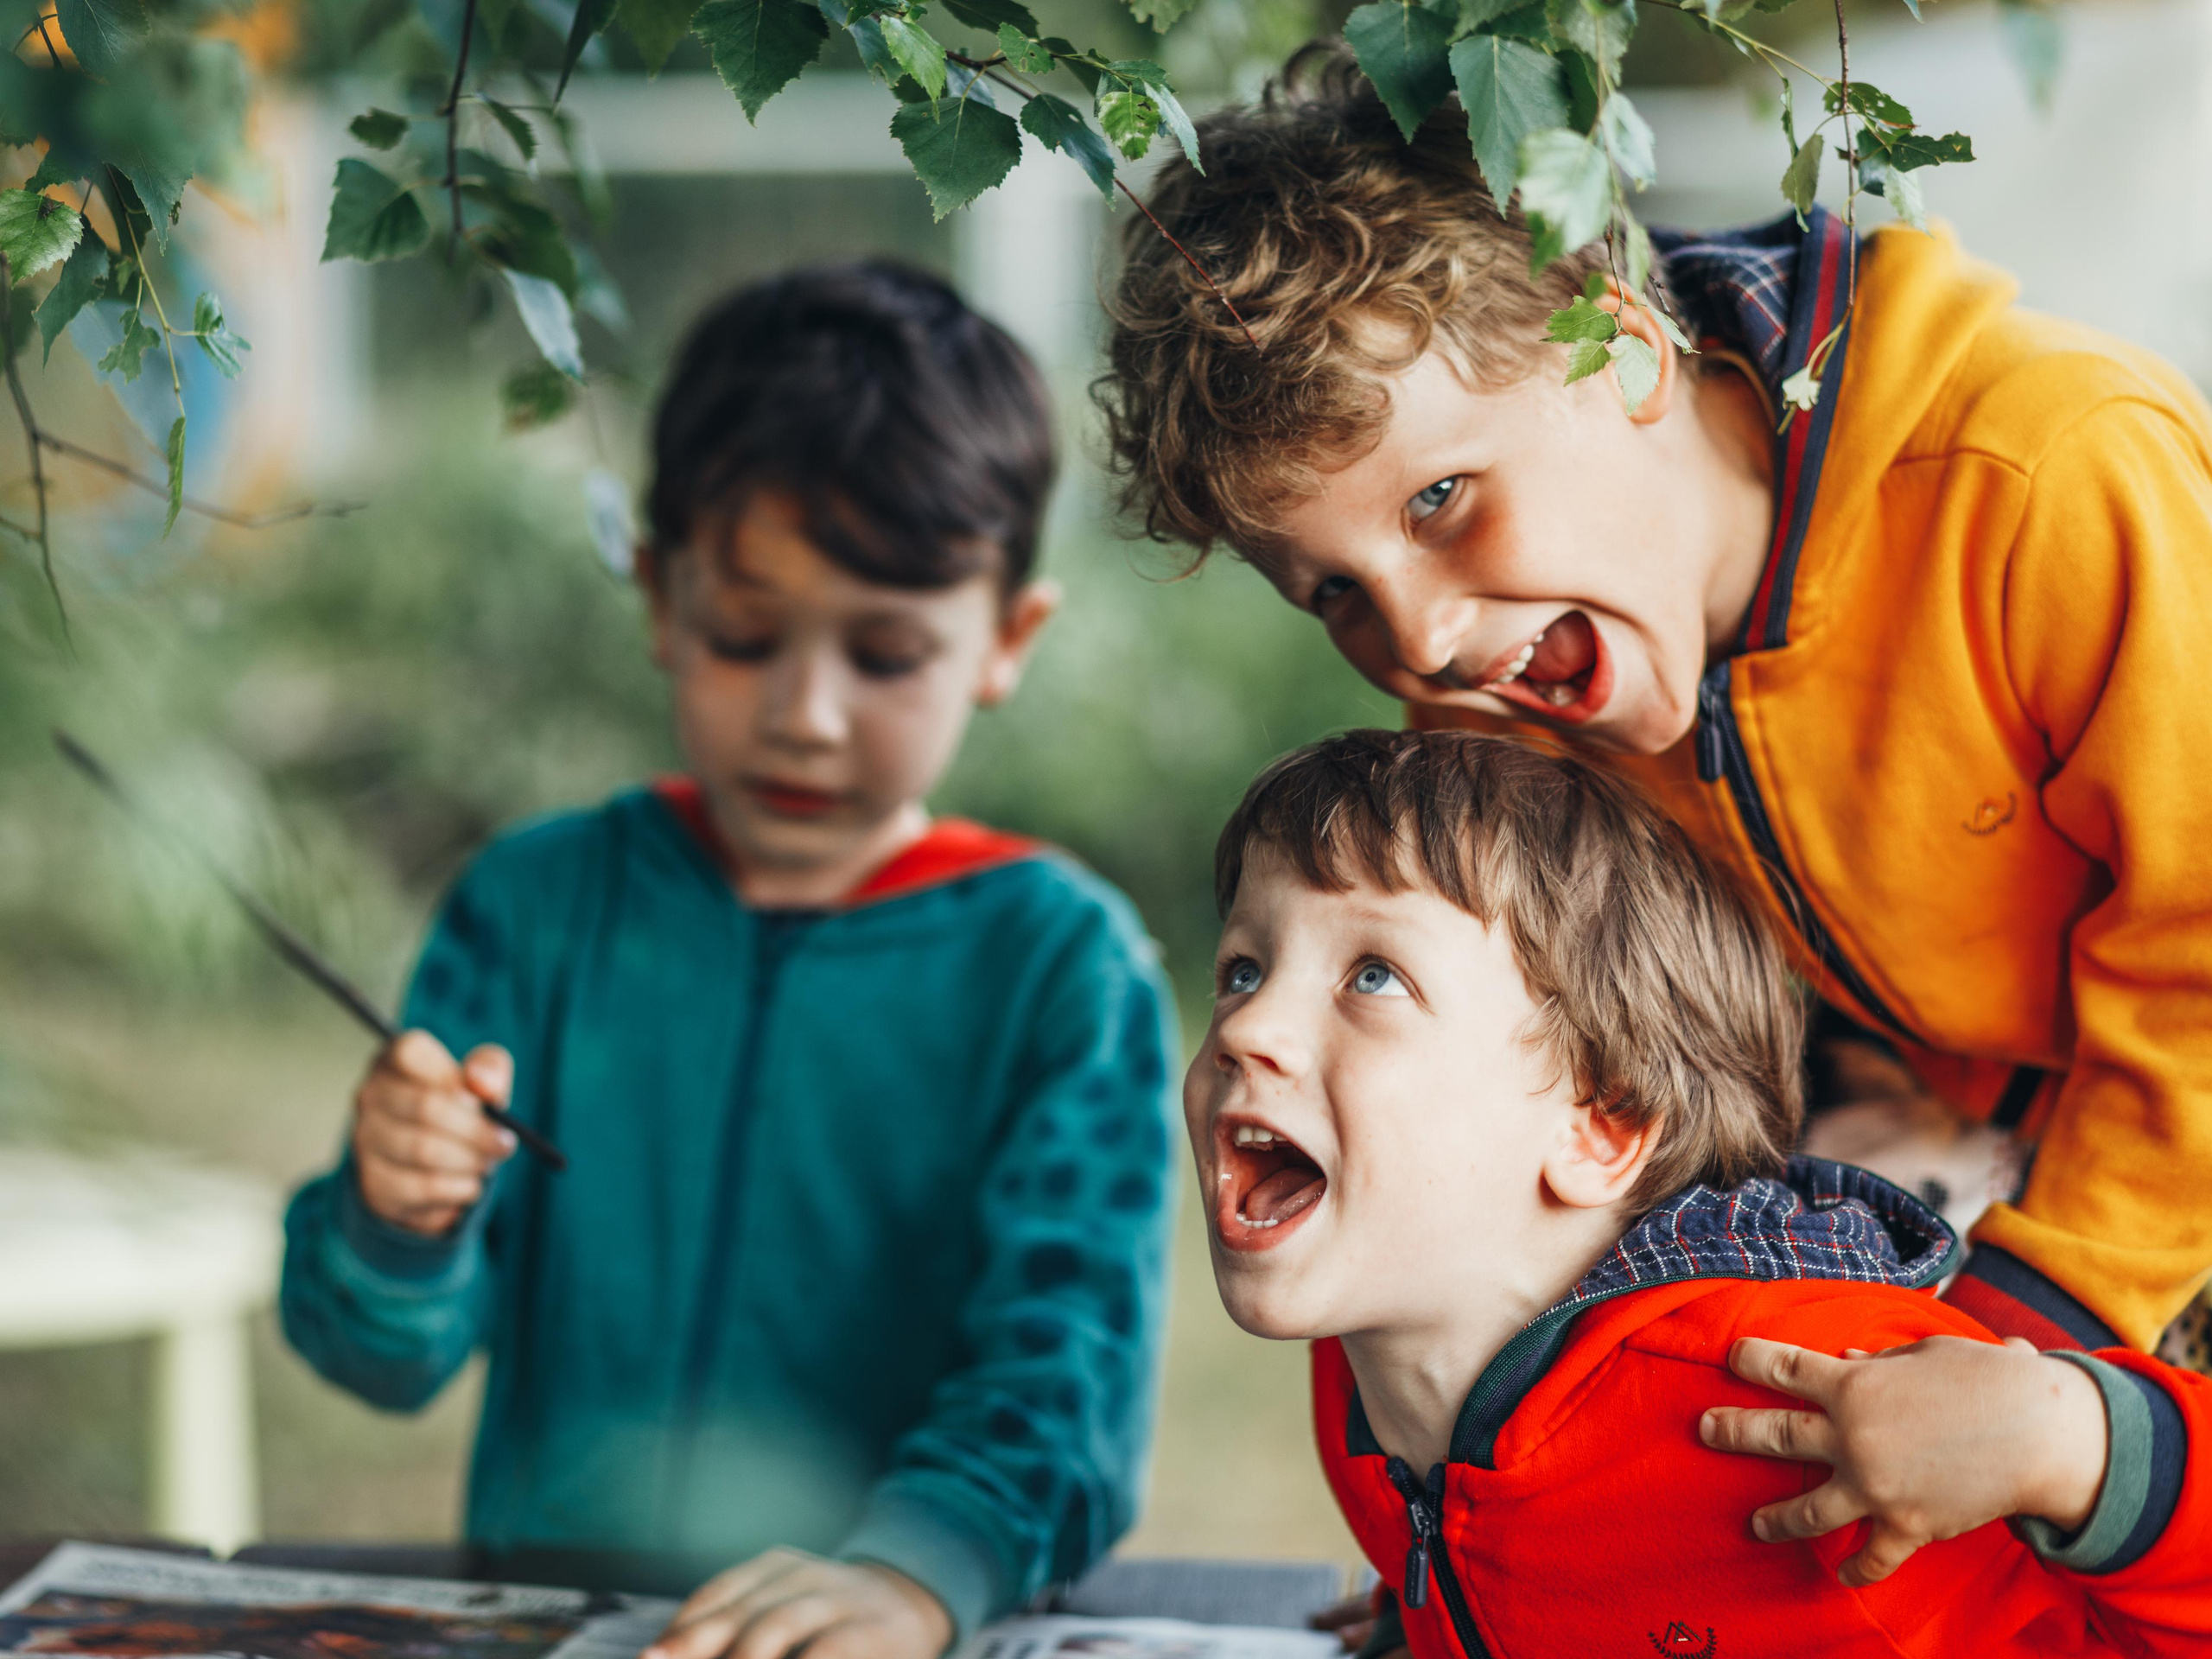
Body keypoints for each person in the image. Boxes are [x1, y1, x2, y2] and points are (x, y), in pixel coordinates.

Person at [1097, 41, 2212, 1583]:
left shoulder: (2044, 474)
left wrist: (2043, 1335)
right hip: (1957, 1172)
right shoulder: (1507, 677)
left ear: (1614, 338)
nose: (1418, 642)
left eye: (1439, 501)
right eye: (1337, 592)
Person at [279, 262, 1179, 1659]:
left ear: (1009, 639)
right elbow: (377, 1361)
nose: (808, 717)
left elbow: (1067, 1377)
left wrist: (917, 1573)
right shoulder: (529, 909)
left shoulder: (1064, 972)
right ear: (658, 596)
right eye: (745, 638)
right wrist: (398, 1223)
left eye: (886, 654)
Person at [1189, 728, 2210, 1658]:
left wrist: (2065, 1440)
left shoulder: (1816, 1384)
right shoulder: (1370, 1361)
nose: (1243, 1029)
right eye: (1242, 969)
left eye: (1373, 978)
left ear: (1602, 1127)